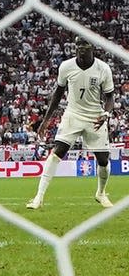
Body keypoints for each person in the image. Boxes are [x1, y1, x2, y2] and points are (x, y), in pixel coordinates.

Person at [27, 36, 115, 209]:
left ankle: (101, 193)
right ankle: (38, 197)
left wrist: (106, 113)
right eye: (78, 45)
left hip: (95, 117)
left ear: (92, 47)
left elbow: (110, 96)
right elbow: (57, 94)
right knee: (57, 151)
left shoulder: (103, 68)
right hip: (73, 114)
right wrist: (46, 120)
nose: (80, 48)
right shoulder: (66, 66)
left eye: (84, 44)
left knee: (103, 160)